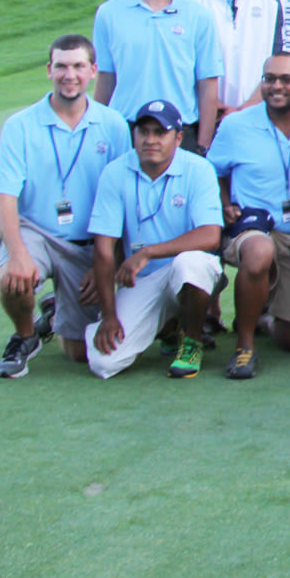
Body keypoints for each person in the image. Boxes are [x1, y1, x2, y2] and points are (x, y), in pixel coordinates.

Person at [0, 35, 132, 377]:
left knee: (79, 353)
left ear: (93, 71)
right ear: (49, 70)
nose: (70, 75)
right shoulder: (19, 126)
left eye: (78, 66)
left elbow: (125, 197)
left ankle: (55, 314)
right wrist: (18, 254)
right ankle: (25, 336)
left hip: (88, 244)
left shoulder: (113, 125)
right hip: (36, 231)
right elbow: (5, 197)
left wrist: (109, 260)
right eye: (61, 66)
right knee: (14, 277)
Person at [205, 51, 290, 377]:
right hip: (252, 229)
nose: (276, 86)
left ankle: (261, 313)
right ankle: (245, 345)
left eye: (286, 79)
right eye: (269, 79)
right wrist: (224, 202)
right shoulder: (236, 125)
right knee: (259, 251)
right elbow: (213, 171)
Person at [83, 100, 224, 379]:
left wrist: (148, 252)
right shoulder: (114, 172)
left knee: (188, 264)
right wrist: (108, 315)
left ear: (178, 137)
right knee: (104, 363)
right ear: (134, 135)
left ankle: (191, 342)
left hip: (192, 275)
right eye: (144, 132)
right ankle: (169, 328)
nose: (150, 140)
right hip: (142, 281)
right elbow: (103, 250)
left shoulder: (199, 169)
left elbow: (210, 236)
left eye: (160, 133)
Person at [93, 0, 222, 153]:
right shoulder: (109, 13)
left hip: (180, 132)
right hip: (125, 131)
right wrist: (96, 131)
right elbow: (105, 79)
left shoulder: (199, 16)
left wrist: (203, 144)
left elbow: (207, 84)